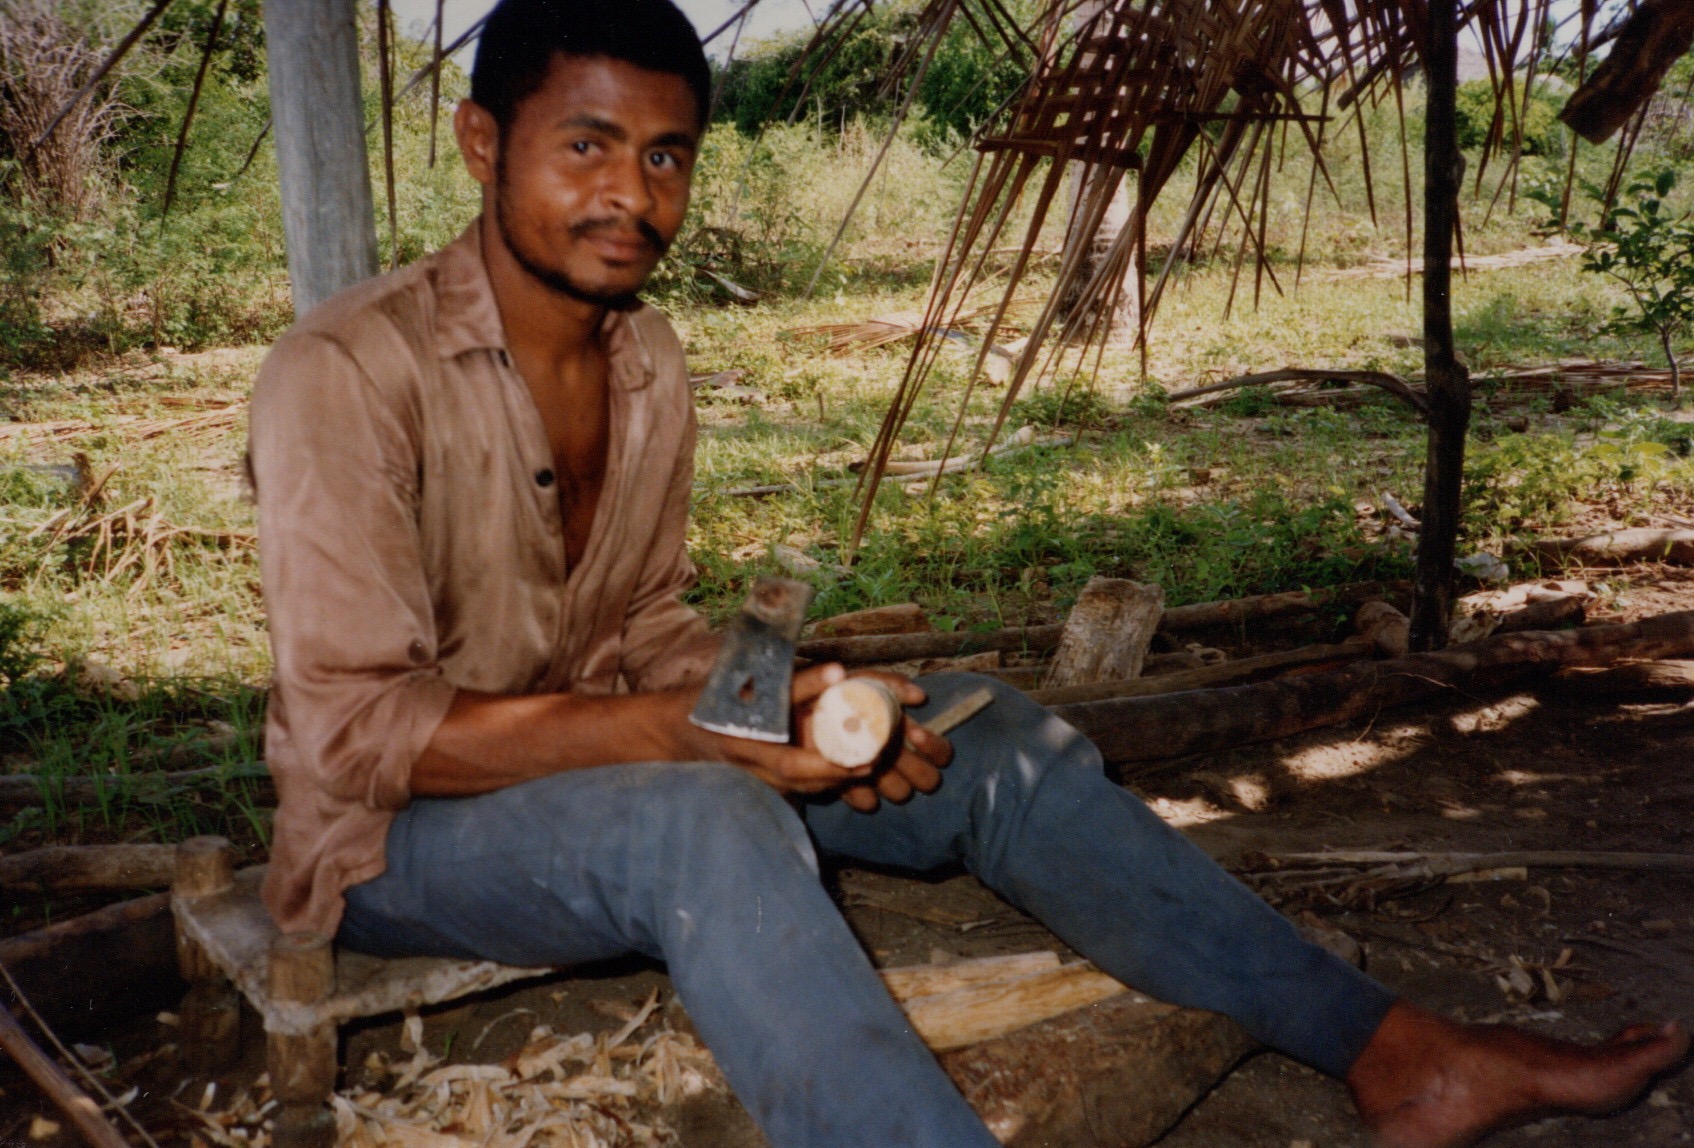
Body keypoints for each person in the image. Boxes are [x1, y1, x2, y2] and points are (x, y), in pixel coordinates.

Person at [246, 1, 1688, 1144]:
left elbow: (638, 624)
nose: (631, 194)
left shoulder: (646, 361)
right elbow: (360, 733)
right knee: (703, 820)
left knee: (987, 737)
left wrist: (795, 696)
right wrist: (701, 739)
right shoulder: (344, 372)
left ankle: (1399, 1054)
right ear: (482, 143)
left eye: (666, 155)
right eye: (586, 145)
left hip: (614, 771)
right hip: (394, 846)